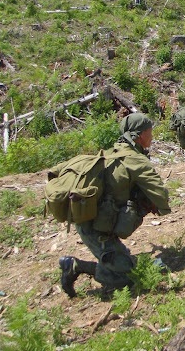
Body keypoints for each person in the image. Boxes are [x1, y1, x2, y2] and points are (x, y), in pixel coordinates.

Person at [58, 113, 171, 298]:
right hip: (95, 229)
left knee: (126, 263)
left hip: (93, 222)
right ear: (139, 135)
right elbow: (161, 195)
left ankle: (115, 261)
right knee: (128, 277)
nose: (152, 136)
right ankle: (75, 266)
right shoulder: (136, 160)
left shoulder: (112, 152)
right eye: (150, 132)